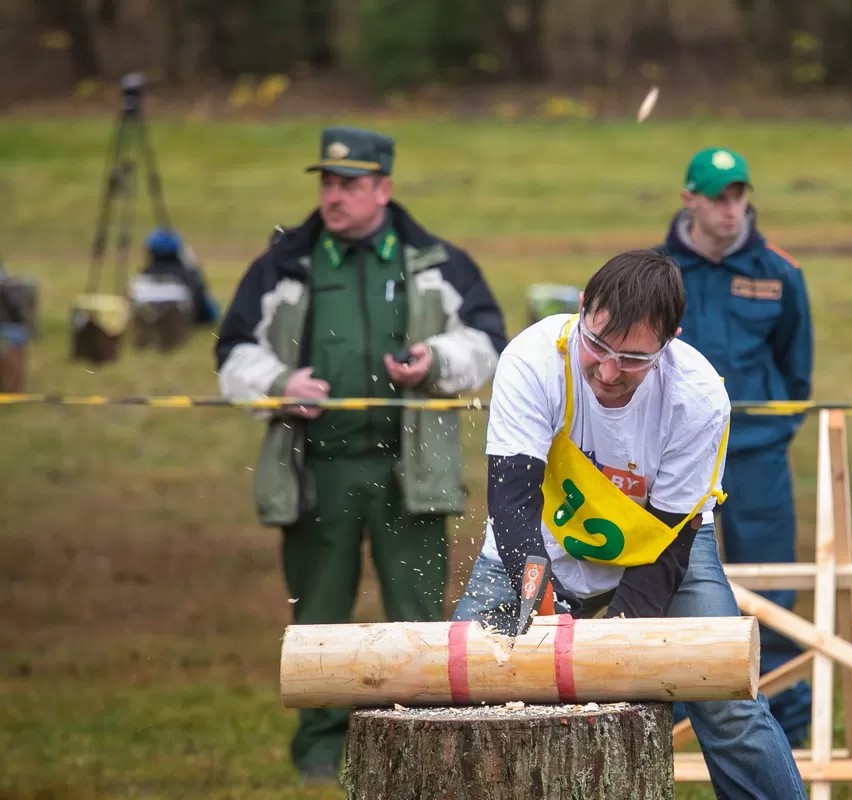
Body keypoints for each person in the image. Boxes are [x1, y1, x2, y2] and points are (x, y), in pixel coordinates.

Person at [452, 249, 807, 800]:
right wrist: (544, 609)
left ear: (669, 343)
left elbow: (671, 540)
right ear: (581, 308)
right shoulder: (532, 357)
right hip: (537, 539)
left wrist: (611, 643)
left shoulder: (699, 396)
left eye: (633, 357)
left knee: (728, 704)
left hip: (661, 547)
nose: (609, 371)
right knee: (452, 690)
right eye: (597, 345)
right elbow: (511, 496)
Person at [214, 126, 506, 785]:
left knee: (419, 614)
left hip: (413, 472)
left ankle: (428, 741)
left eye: (349, 184)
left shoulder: (438, 259)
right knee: (318, 615)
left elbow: (488, 342)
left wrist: (439, 362)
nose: (334, 196)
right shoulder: (285, 262)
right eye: (326, 182)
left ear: (383, 189)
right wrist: (278, 384)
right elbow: (233, 350)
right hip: (318, 467)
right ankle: (320, 747)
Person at [658, 146, 815, 746]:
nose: (731, 209)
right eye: (718, 197)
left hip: (756, 455)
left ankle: (784, 720)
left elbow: (795, 372)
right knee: (669, 579)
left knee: (770, 586)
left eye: (739, 195)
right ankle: (666, 715)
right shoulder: (656, 271)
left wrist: (768, 434)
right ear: (689, 199)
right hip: (672, 459)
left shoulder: (780, 271)